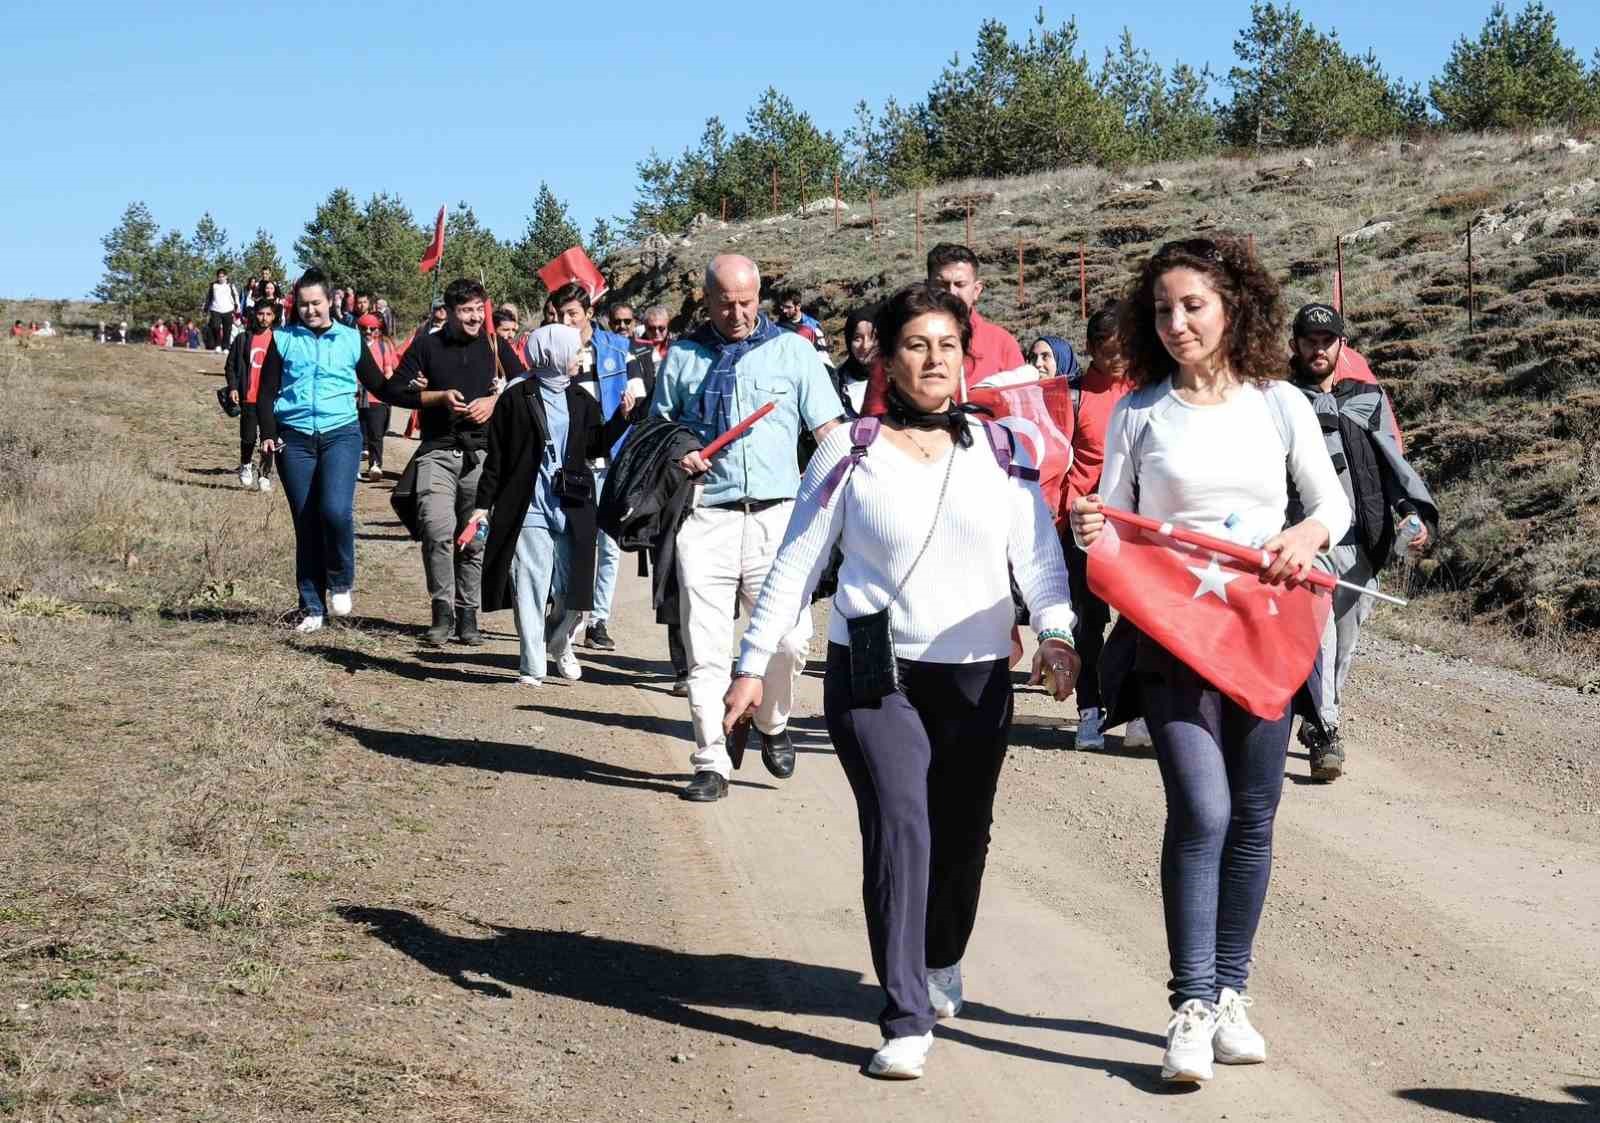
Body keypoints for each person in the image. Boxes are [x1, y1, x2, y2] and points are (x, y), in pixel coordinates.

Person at [725, 282, 1080, 1079]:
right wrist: (750, 667)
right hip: (872, 670)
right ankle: (905, 1012)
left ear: (965, 356)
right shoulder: (849, 449)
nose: (933, 359)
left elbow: (1042, 563)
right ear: (887, 357)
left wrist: (1056, 637)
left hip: (978, 673)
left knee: (962, 834)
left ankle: (941, 954)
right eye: (916, 345)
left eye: (947, 345)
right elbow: (795, 565)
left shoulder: (1000, 450)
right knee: (900, 825)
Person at [1070, 237, 1351, 1084]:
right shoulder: (1139, 411)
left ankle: (1232, 993)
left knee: (1255, 816)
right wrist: (1092, 528)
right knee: (1203, 809)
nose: (1178, 321)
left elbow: (1330, 503)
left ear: (1233, 306)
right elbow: (1111, 524)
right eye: (1163, 309)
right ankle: (1190, 1005)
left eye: (1193, 304)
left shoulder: (1278, 405)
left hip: (1268, 637)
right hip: (1175, 642)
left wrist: (1304, 536)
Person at [649, 253, 843, 802]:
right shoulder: (682, 357)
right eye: (724, 303)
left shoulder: (793, 352)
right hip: (705, 516)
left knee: (789, 642)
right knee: (705, 646)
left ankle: (771, 722)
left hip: (778, 519)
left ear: (759, 297)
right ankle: (711, 757)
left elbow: (828, 430)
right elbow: (659, 434)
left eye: (746, 302)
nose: (736, 314)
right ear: (705, 300)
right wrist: (681, 451)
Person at [1287, 303, 1436, 781]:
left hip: (1361, 541)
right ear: (1296, 345)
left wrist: (1411, 512)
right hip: (1305, 540)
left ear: (1340, 346)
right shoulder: (1279, 400)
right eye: (1309, 340)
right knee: (1320, 636)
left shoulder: (1366, 399)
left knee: (1344, 642)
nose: (1318, 348)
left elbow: (1392, 462)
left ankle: (1317, 716)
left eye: (1326, 340)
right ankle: (1327, 727)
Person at [255, 268, 418, 633]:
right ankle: (312, 607)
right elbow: (266, 393)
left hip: (340, 435)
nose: (310, 310)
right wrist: (267, 433)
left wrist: (424, 396)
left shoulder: (350, 339)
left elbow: (380, 384)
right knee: (306, 522)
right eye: (303, 304)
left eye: (316, 303)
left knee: (335, 510)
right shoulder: (283, 340)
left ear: (331, 301)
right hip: (293, 439)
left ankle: (341, 580)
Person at [473, 325, 636, 684]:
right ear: (554, 354)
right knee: (530, 585)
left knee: (574, 594)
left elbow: (594, 446)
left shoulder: (582, 399)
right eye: (575, 351)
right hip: (528, 506)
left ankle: (560, 641)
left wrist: (621, 420)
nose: (581, 357)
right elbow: (497, 458)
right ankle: (532, 667)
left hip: (574, 504)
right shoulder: (517, 397)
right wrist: (482, 504)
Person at [392, 277, 525, 647]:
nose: (474, 318)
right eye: (465, 311)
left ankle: (468, 615)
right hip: (436, 450)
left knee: (474, 538)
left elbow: (524, 384)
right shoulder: (426, 345)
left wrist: (494, 403)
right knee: (436, 529)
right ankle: (442, 612)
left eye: (477, 310)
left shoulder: (495, 345)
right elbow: (394, 390)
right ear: (449, 312)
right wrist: (435, 397)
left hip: (482, 454)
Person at [550, 281, 654, 654]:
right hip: (570, 462)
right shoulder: (554, 351)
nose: (565, 321)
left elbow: (642, 388)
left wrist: (633, 402)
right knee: (569, 541)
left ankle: (598, 620)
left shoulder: (617, 348)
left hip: (611, 462)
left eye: (572, 315)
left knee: (608, 546)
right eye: (559, 315)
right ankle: (564, 609)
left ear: (589, 314)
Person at [1060, 306, 1135, 751]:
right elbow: (1057, 462)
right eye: (1109, 352)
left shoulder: (1142, 390)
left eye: (1125, 350)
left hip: (1132, 526)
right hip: (1082, 527)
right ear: (1090, 349)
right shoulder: (1073, 397)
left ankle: (1133, 709)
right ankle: (1089, 710)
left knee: (1140, 619)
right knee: (1088, 625)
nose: (1118, 360)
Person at [925, 243, 1023, 395]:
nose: (951, 293)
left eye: (960, 284)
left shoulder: (1002, 343)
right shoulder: (904, 341)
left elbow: (1022, 406)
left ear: (976, 290)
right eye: (942, 284)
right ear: (927, 287)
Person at [224, 298, 280, 492]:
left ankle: (265, 474)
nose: (264, 318)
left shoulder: (279, 340)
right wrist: (233, 387)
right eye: (260, 314)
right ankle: (246, 464)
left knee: (269, 438)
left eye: (268, 314)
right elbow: (230, 365)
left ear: (274, 317)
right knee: (248, 437)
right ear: (255, 315)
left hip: (270, 400)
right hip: (248, 396)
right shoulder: (243, 339)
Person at [357, 313, 401, 482]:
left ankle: (375, 464)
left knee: (376, 433)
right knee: (357, 433)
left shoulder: (383, 346)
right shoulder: (354, 345)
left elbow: (388, 369)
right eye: (364, 328)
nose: (368, 331)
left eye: (372, 328)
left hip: (377, 397)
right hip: (355, 397)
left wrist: (388, 390)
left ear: (378, 329)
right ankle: (354, 467)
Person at [832, 304, 879, 418]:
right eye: (857, 338)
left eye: (873, 337)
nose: (865, 345)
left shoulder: (897, 379)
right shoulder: (835, 382)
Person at [204, 269, 240, 352]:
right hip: (215, 309)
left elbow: (235, 296)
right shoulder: (213, 285)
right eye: (219, 277)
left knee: (227, 329)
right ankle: (218, 344)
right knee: (215, 326)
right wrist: (206, 307)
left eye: (222, 276)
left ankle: (226, 347)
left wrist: (237, 306)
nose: (221, 278)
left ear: (226, 277)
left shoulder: (230, 285)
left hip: (228, 309)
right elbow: (209, 297)